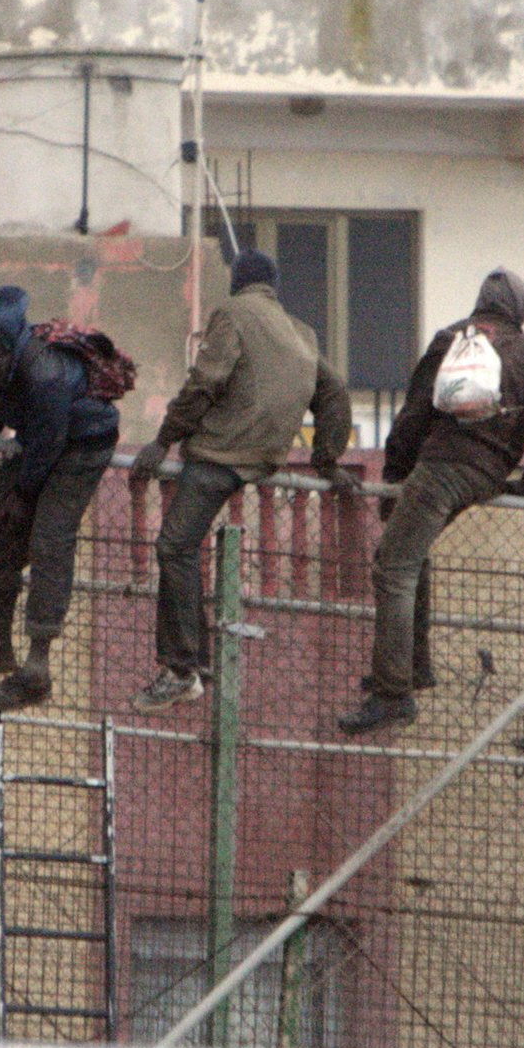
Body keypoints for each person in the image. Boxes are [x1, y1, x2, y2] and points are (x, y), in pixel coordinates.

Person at [339, 267, 524, 735]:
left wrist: (395, 482)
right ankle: (412, 667)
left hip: (440, 471)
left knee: (392, 566)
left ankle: (393, 695)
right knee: (411, 554)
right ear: (521, 310)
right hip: (491, 475)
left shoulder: (450, 339)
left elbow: (412, 419)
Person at [129, 250, 354, 712]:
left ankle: (180, 668)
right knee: (184, 548)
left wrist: (163, 441)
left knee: (175, 547)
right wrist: (326, 458)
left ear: (237, 282)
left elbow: (204, 383)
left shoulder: (232, 313)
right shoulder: (302, 332)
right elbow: (335, 395)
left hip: (222, 453)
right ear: (273, 285)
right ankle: (196, 662)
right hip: (266, 456)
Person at [0, 286, 120, 710]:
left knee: (49, 541)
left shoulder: (43, 373)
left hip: (81, 446)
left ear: (9, 352)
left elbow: (50, 437)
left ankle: (37, 665)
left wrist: (23, 495)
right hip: (36, 445)